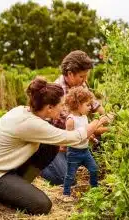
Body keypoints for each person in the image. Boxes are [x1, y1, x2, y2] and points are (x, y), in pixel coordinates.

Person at [0, 77, 110, 215]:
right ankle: (9, 192)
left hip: (4, 166)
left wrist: (85, 133)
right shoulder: (30, 123)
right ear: (49, 107)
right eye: (61, 105)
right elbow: (72, 138)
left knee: (50, 146)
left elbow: (60, 139)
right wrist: (98, 122)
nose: (64, 109)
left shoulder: (23, 111)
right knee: (42, 205)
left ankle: (20, 183)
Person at [41, 50, 107, 185]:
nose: (85, 80)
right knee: (65, 179)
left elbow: (96, 106)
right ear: (70, 74)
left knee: (101, 145)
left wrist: (106, 116)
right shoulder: (56, 92)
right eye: (82, 76)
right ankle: (41, 165)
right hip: (57, 144)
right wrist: (102, 127)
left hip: (76, 139)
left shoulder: (80, 85)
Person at [61, 87, 108, 202]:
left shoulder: (84, 117)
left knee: (93, 169)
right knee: (70, 175)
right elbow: (71, 138)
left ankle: (95, 189)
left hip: (85, 151)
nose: (90, 107)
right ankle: (66, 194)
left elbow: (86, 131)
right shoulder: (71, 120)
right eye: (87, 105)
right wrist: (99, 123)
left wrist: (92, 138)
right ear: (77, 105)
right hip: (74, 152)